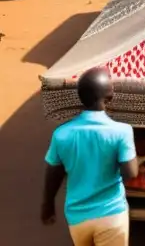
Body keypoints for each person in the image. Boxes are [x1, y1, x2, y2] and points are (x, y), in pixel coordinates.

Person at [42, 67, 138, 246]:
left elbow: (53, 174)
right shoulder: (122, 132)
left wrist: (47, 205)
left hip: (77, 218)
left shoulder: (62, 134)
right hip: (111, 214)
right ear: (109, 96)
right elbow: (131, 172)